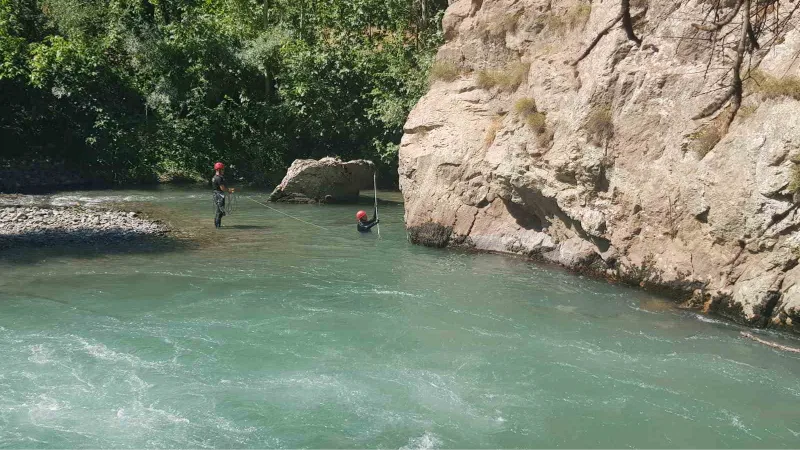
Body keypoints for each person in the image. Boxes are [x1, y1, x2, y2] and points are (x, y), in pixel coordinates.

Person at [212, 162, 234, 228]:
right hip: (219, 196)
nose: (223, 171)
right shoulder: (219, 178)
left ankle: (218, 226)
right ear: (219, 169)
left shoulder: (214, 177)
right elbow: (222, 188)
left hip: (216, 194)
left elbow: (221, 188)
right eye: (222, 169)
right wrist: (229, 190)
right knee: (220, 212)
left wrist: (228, 189)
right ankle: (218, 227)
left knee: (219, 211)